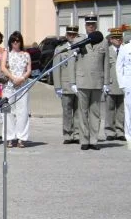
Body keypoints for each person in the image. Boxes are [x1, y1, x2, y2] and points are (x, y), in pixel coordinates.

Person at [75, 13, 109, 151]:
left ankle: (93, 140)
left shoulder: (103, 41)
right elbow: (73, 62)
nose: (90, 27)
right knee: (83, 112)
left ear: (96, 25)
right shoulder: (80, 40)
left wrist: (106, 82)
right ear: (85, 26)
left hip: (97, 82)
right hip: (82, 81)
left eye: (93, 25)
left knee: (95, 112)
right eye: (88, 25)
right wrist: (72, 82)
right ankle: (84, 140)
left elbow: (106, 63)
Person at [0, 31, 32, 148]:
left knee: (22, 112)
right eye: (13, 41)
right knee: (7, 111)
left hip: (22, 86)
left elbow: (29, 70)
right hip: (9, 85)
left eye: (17, 41)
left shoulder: (26, 54)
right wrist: (12, 78)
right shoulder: (7, 53)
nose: (15, 43)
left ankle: (21, 137)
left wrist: (22, 78)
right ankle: (9, 137)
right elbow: (3, 67)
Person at [52, 26, 80, 144]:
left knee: (79, 111)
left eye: (74, 34)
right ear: (66, 35)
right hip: (65, 84)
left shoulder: (81, 47)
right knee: (67, 111)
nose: (72, 36)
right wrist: (57, 86)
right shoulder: (61, 49)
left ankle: (78, 134)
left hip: (79, 83)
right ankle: (68, 134)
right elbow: (56, 68)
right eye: (70, 34)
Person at [105, 28, 125, 141]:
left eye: (120, 38)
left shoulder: (126, 50)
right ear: (111, 39)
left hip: (123, 84)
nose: (118, 40)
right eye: (115, 38)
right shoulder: (107, 51)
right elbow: (104, 68)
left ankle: (120, 131)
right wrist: (105, 83)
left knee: (122, 110)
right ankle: (110, 132)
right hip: (111, 84)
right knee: (109, 109)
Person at [116, 31, 131, 148]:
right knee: (129, 111)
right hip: (129, 84)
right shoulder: (125, 48)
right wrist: (122, 84)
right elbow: (119, 67)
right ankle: (129, 137)